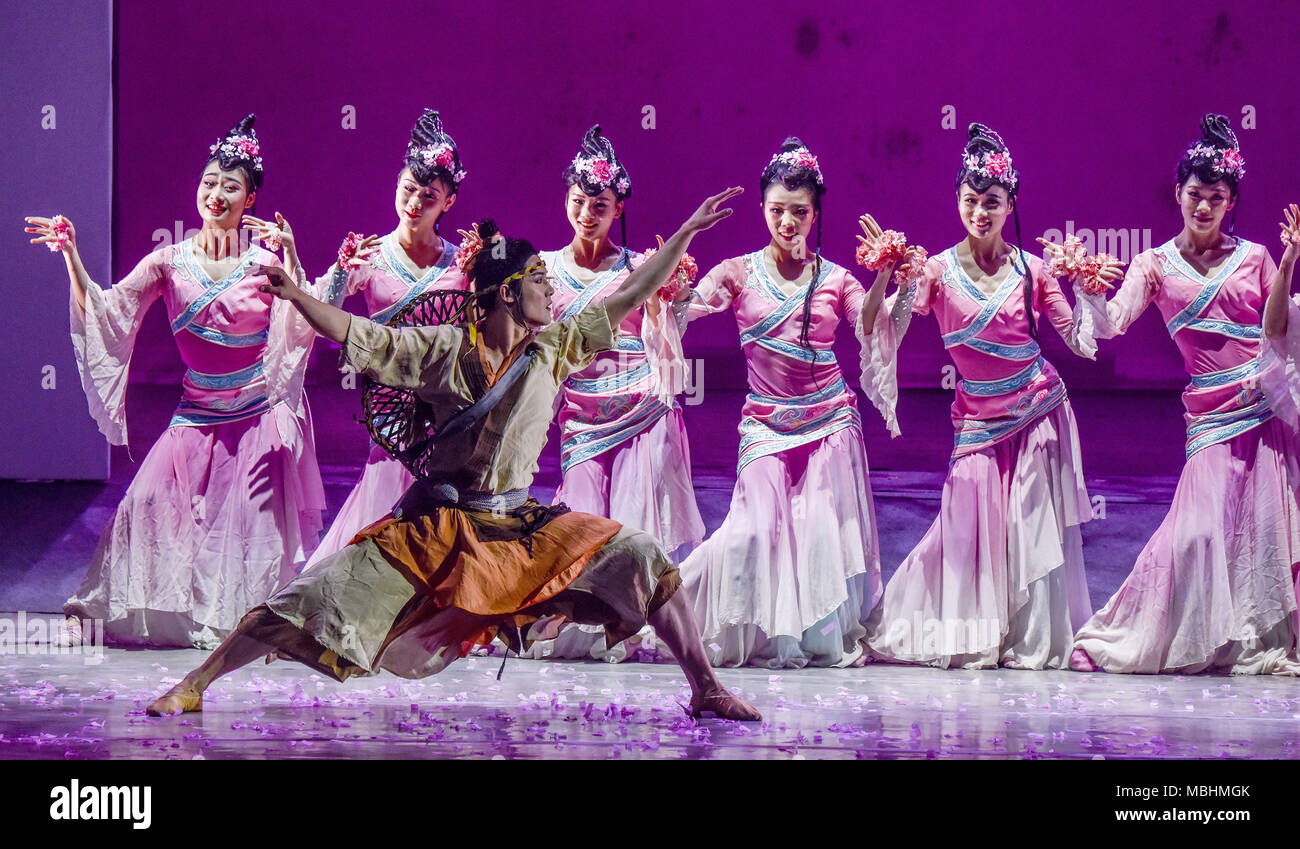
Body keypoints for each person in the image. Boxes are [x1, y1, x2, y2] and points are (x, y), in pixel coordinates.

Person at [144, 188, 761, 721]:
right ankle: (195, 683)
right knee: (312, 598)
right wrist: (295, 297)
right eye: (540, 282)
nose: (551, 290)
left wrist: (683, 233)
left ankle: (705, 688)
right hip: (439, 527)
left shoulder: (555, 348)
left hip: (520, 528)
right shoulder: (444, 349)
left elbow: (629, 297)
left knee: (643, 558)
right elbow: (364, 336)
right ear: (508, 293)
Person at [23, 115, 326, 648]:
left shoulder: (265, 263)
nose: (216, 193)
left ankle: (249, 622)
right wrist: (72, 257)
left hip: (254, 417)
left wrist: (294, 260)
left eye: (231, 186)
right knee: (144, 506)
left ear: (249, 198)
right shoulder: (169, 261)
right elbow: (109, 310)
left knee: (249, 534)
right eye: (209, 182)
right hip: (196, 412)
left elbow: (303, 325)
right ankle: (96, 611)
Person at [859, 124, 1115, 669]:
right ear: (957, 202)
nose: (981, 212)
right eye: (971, 201)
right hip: (977, 421)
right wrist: (895, 283)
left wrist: (1085, 288)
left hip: (1037, 411)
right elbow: (893, 328)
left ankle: (1030, 640)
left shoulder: (1033, 270)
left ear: (1009, 204)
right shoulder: (936, 270)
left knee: (1028, 529)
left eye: (992, 202)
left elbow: (1080, 343)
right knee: (969, 526)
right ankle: (973, 632)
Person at [1070, 114, 1300, 674]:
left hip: (1263, 409)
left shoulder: (1253, 258)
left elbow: (1274, 331)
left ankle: (1258, 637)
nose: (1203, 207)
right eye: (1194, 195)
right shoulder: (1154, 265)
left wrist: (1290, 259)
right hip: (1211, 419)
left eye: (1216, 198)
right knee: (1195, 535)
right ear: (1178, 194)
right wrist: (1091, 290)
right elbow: (1111, 325)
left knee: (1269, 536)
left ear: (1231, 202)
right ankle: (1159, 633)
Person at [677, 138, 888, 668]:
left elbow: (870, 328)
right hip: (766, 425)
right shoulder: (736, 273)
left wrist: (884, 276)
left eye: (799, 212)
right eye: (777, 211)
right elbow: (682, 309)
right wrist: (680, 253)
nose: (787, 222)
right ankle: (667, 607)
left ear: (815, 213)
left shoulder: (836, 278)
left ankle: (811, 633)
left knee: (817, 528)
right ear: (763, 211)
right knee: (750, 531)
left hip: (828, 422)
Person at [522, 125, 704, 663]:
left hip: (640, 412)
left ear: (618, 206)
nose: (586, 213)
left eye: (599, 204)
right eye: (578, 201)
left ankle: (632, 626)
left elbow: (668, 332)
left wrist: (677, 303)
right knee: (576, 528)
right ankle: (567, 621)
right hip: (581, 420)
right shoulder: (546, 270)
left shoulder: (637, 266)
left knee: (629, 529)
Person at [303, 109, 469, 571]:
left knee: (441, 514)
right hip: (392, 411)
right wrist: (339, 271)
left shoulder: (461, 265)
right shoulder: (370, 257)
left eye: (429, 195)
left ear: (448, 202)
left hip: (445, 409)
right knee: (383, 512)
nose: (415, 202)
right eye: (407, 190)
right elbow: (324, 317)